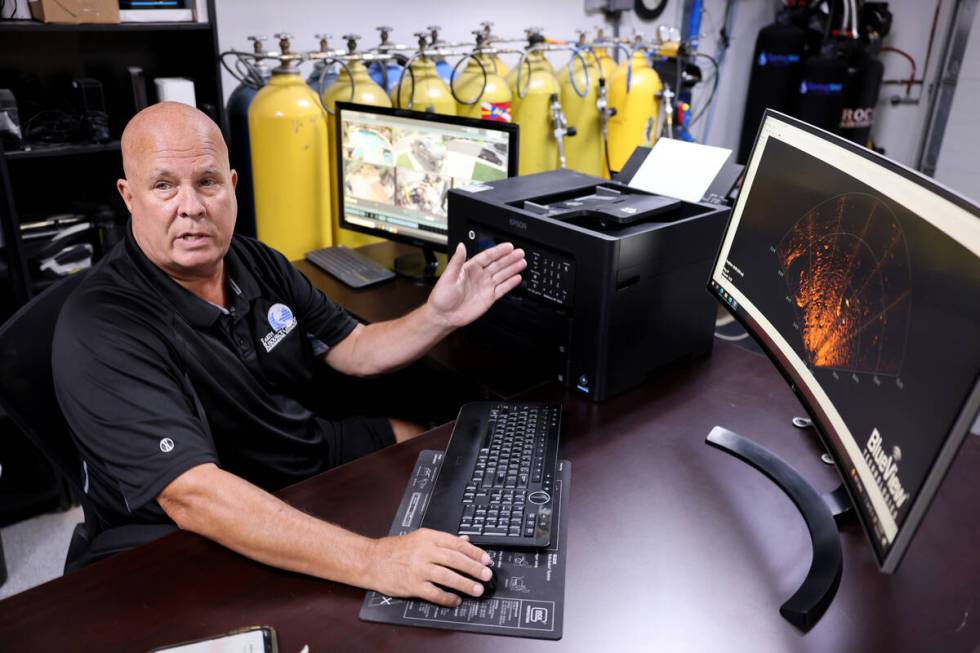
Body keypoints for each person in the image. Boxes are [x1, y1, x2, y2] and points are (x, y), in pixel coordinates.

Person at [52, 102, 526, 607]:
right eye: (164, 186)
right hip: (204, 519)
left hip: (301, 455)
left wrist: (439, 315)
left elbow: (355, 349)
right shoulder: (103, 324)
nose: (190, 206)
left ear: (233, 185)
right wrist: (374, 560)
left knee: (438, 449)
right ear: (129, 196)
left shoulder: (255, 261)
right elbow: (195, 495)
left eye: (207, 182)